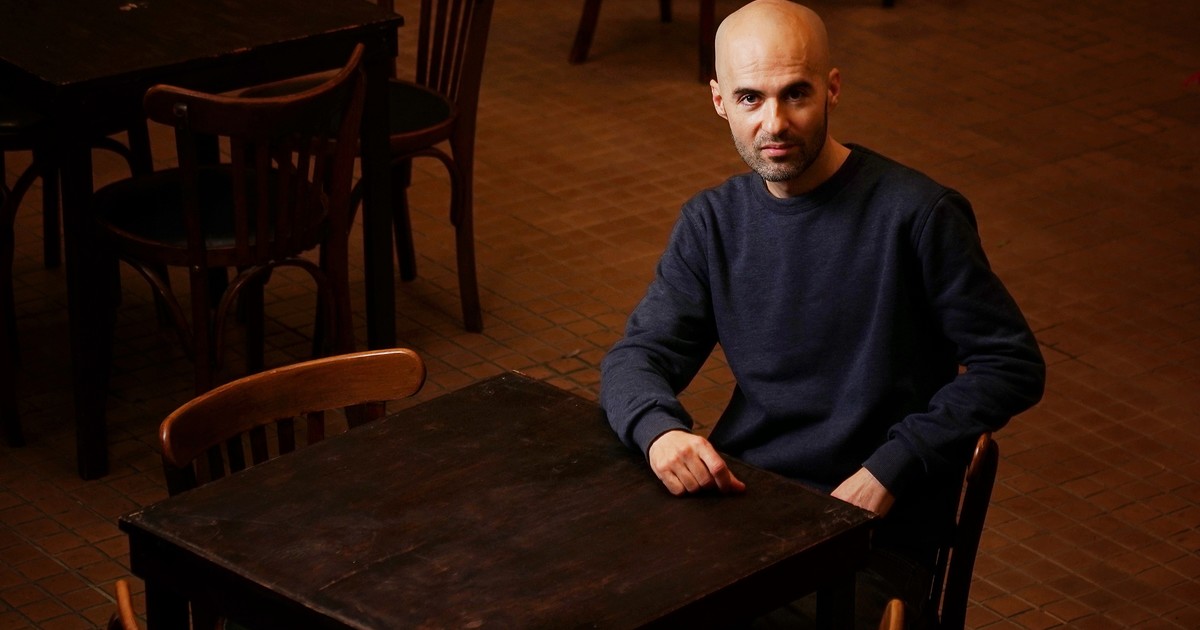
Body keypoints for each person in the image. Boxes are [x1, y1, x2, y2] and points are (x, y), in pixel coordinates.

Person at [598, 0, 1046, 627]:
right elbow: (636, 358)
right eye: (750, 99)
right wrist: (659, 431)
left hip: (875, 532)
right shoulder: (712, 223)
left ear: (832, 88)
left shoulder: (919, 215)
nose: (775, 123)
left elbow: (1011, 364)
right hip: (743, 505)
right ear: (720, 101)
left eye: (796, 94)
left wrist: (889, 469)